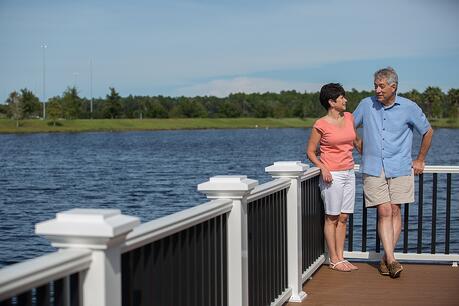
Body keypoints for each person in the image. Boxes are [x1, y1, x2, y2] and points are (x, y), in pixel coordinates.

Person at [353, 67, 433, 278]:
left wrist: (420, 159)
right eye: (375, 86)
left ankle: (386, 259)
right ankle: (392, 259)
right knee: (384, 212)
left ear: (393, 86)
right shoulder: (365, 104)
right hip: (373, 167)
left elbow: (427, 131)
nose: (377, 90)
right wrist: (359, 145)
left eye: (381, 86)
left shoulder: (409, 107)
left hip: (400, 166)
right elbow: (348, 127)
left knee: (395, 211)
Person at [307, 83, 361, 272]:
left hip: (349, 172)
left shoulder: (349, 117)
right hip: (333, 175)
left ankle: (341, 257)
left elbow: (355, 141)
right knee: (332, 217)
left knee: (344, 217)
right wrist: (322, 167)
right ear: (332, 102)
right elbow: (311, 152)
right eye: (342, 98)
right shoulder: (320, 124)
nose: (345, 100)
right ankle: (334, 259)